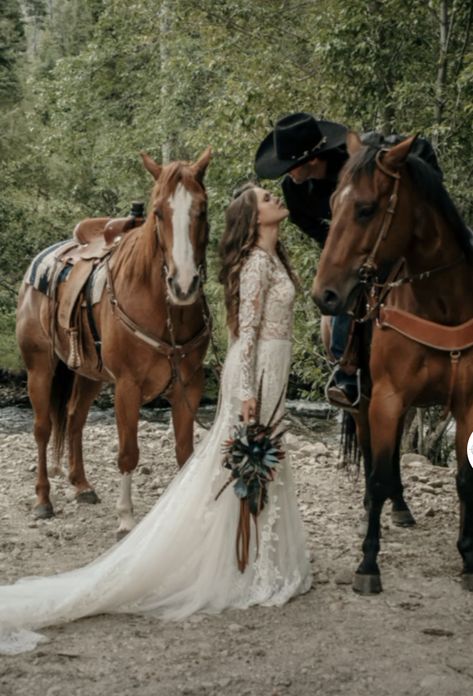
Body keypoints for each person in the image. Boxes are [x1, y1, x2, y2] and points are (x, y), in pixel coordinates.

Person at [0, 185, 312, 655]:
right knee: (247, 462)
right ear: (253, 216)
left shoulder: (271, 258)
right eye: (266, 196)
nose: (275, 197)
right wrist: (246, 389)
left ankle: (253, 555)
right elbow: (245, 334)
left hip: (273, 371)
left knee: (257, 464)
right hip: (260, 373)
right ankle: (54, 477)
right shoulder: (255, 264)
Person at [254, 112, 442, 407]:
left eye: (290, 167)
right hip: (357, 250)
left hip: (400, 234)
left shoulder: (360, 158)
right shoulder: (295, 192)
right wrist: (341, 251)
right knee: (345, 292)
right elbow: (312, 226)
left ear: (311, 161)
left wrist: (428, 194)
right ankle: (348, 371)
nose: (287, 173)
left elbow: (420, 149)